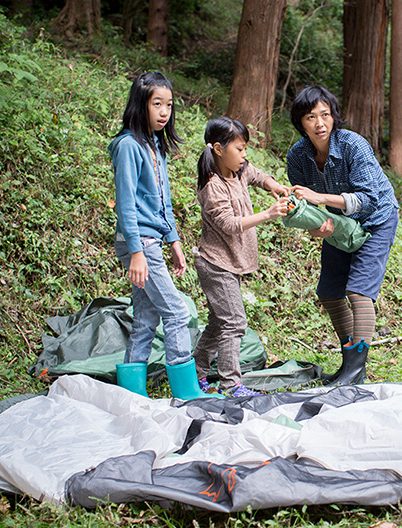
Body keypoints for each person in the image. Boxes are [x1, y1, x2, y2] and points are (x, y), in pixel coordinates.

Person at [286, 85, 400, 385]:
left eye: (325, 115)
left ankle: (355, 371)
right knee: (329, 292)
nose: (320, 123)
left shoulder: (353, 145)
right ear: (301, 122)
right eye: (311, 117)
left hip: (376, 219)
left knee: (359, 291)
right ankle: (349, 364)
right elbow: (304, 207)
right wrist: (315, 227)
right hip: (338, 224)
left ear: (334, 116)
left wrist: (321, 199)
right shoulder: (297, 156)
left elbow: (369, 199)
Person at [109, 71, 212, 400]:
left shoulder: (155, 145)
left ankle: (132, 397)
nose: (164, 112)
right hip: (139, 244)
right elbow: (126, 204)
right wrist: (138, 252)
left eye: (168, 105)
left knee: (146, 317)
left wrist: (175, 242)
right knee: (177, 312)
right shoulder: (128, 146)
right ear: (141, 105)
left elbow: (162, 201)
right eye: (157, 104)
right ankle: (187, 393)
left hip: (153, 241)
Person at [194, 116, 290, 397]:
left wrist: (273, 185)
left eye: (245, 148)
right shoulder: (213, 185)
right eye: (239, 149)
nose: (244, 155)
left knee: (217, 323)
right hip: (215, 264)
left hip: (229, 263)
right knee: (234, 322)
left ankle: (196, 373)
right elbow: (229, 224)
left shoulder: (239, 170)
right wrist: (268, 214)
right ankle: (231, 385)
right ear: (218, 149)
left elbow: (257, 175)